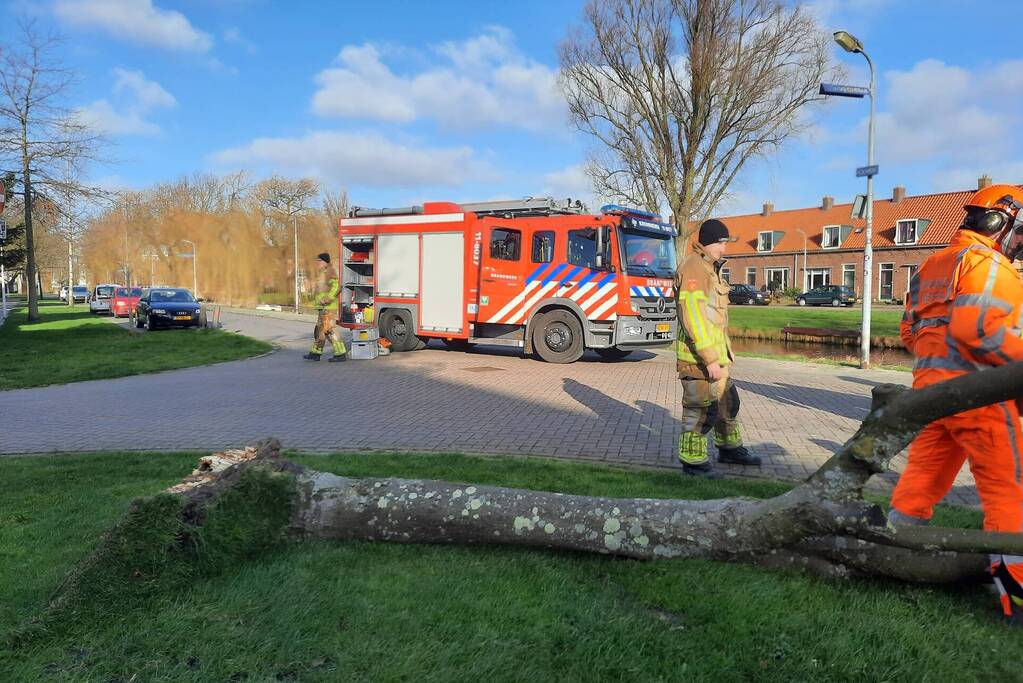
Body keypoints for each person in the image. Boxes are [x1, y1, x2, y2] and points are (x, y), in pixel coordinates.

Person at [889, 184, 1023, 622]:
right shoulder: (989, 264)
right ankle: (1018, 593)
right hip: (980, 394)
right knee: (1009, 489)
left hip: (931, 395)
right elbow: (978, 329)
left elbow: (909, 331)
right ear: (1000, 222)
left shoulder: (933, 264)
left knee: (921, 481)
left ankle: (895, 554)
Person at [675, 219, 761, 479]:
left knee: (728, 404)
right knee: (701, 410)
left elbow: (716, 318)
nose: (724, 249)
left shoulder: (710, 268)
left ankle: (729, 449)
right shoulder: (694, 268)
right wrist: (710, 358)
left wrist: (725, 353)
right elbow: (693, 317)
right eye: (721, 243)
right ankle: (693, 463)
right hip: (698, 360)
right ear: (709, 241)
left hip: (715, 357)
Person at [303, 252, 348, 363]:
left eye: (319, 261)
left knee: (330, 330)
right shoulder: (323, 272)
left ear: (325, 261)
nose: (317, 263)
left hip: (328, 307)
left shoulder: (330, 272)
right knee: (319, 331)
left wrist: (328, 299)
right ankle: (315, 353)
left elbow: (337, 287)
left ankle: (340, 353)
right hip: (322, 307)